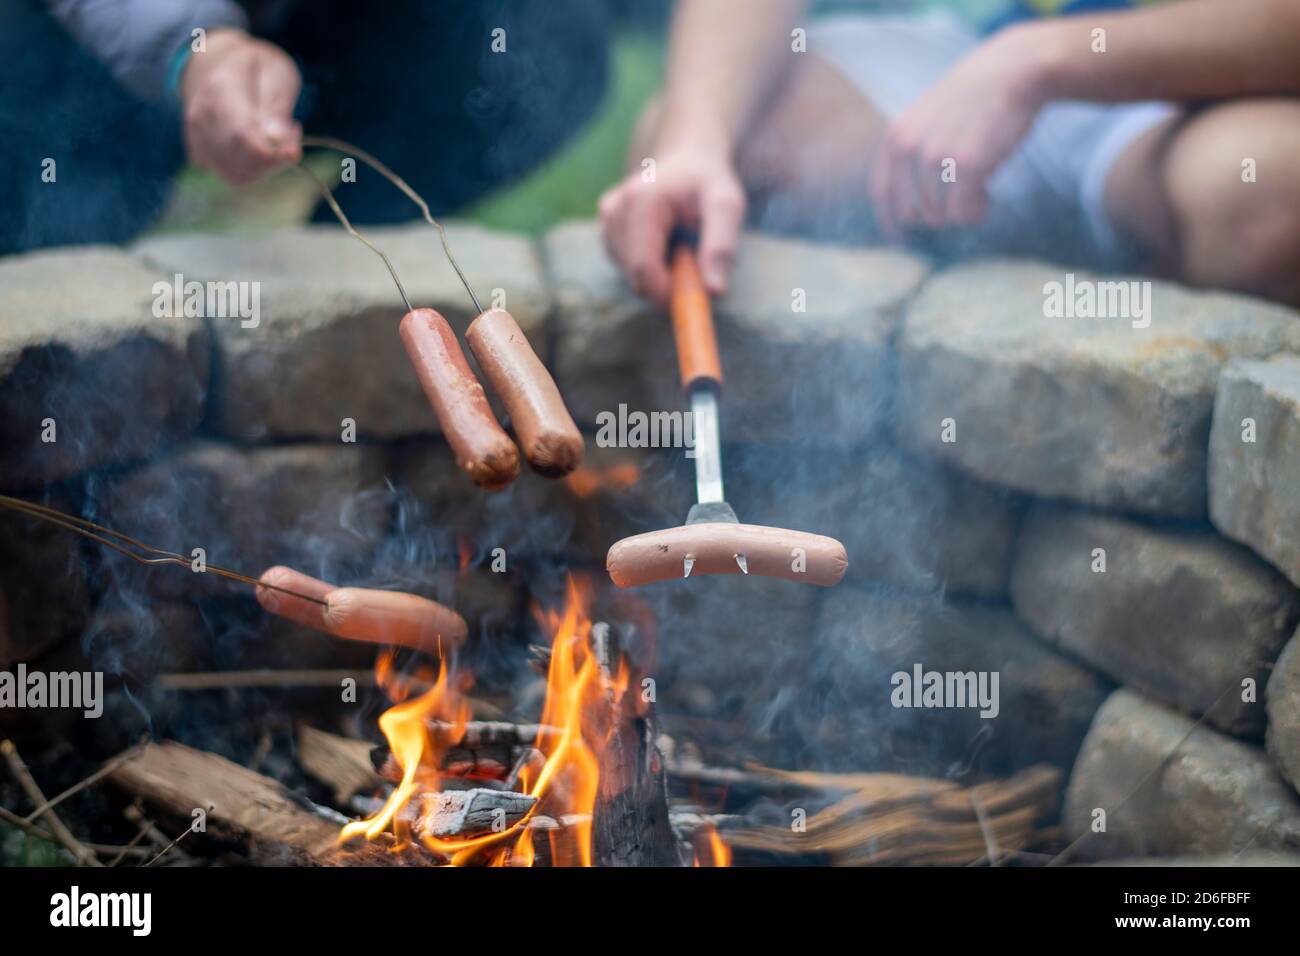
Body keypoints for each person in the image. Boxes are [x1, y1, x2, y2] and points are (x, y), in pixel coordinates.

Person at [599, 0, 1300, 308]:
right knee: (687, 149)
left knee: (1273, 206)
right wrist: (696, 142)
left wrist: (1038, 62)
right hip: (961, 51)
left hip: (1204, 88)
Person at [1, 0, 610, 254]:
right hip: (85, 52)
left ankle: (350, 264)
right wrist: (195, 45)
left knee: (557, 33)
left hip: (335, 31)